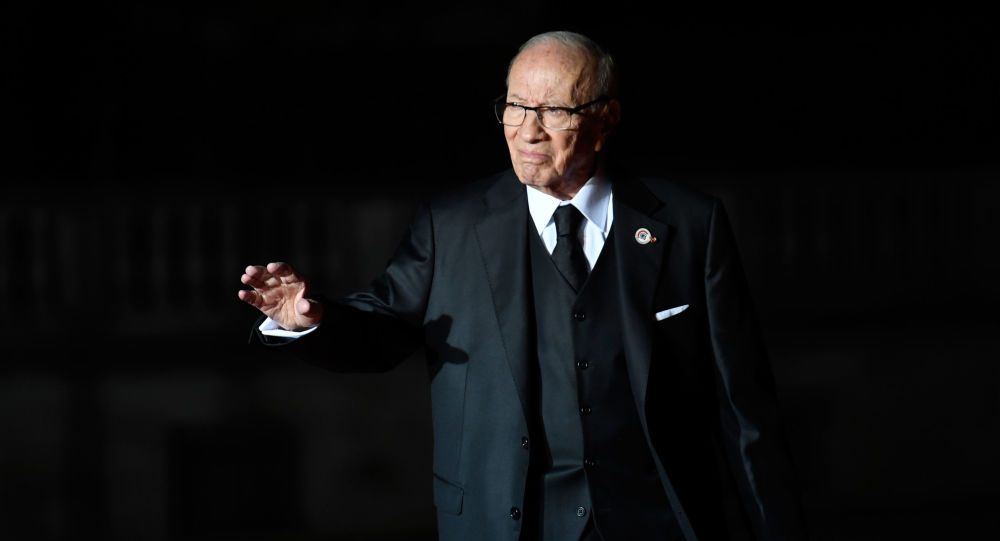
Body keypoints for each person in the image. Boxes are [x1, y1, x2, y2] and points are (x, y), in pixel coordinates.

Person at [238, 31, 805, 541]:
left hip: (661, 521)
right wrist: (310, 320)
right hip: (506, 523)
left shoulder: (690, 224)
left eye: (554, 110)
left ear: (605, 120)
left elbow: (745, 411)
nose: (528, 131)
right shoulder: (450, 226)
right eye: (515, 106)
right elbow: (380, 329)